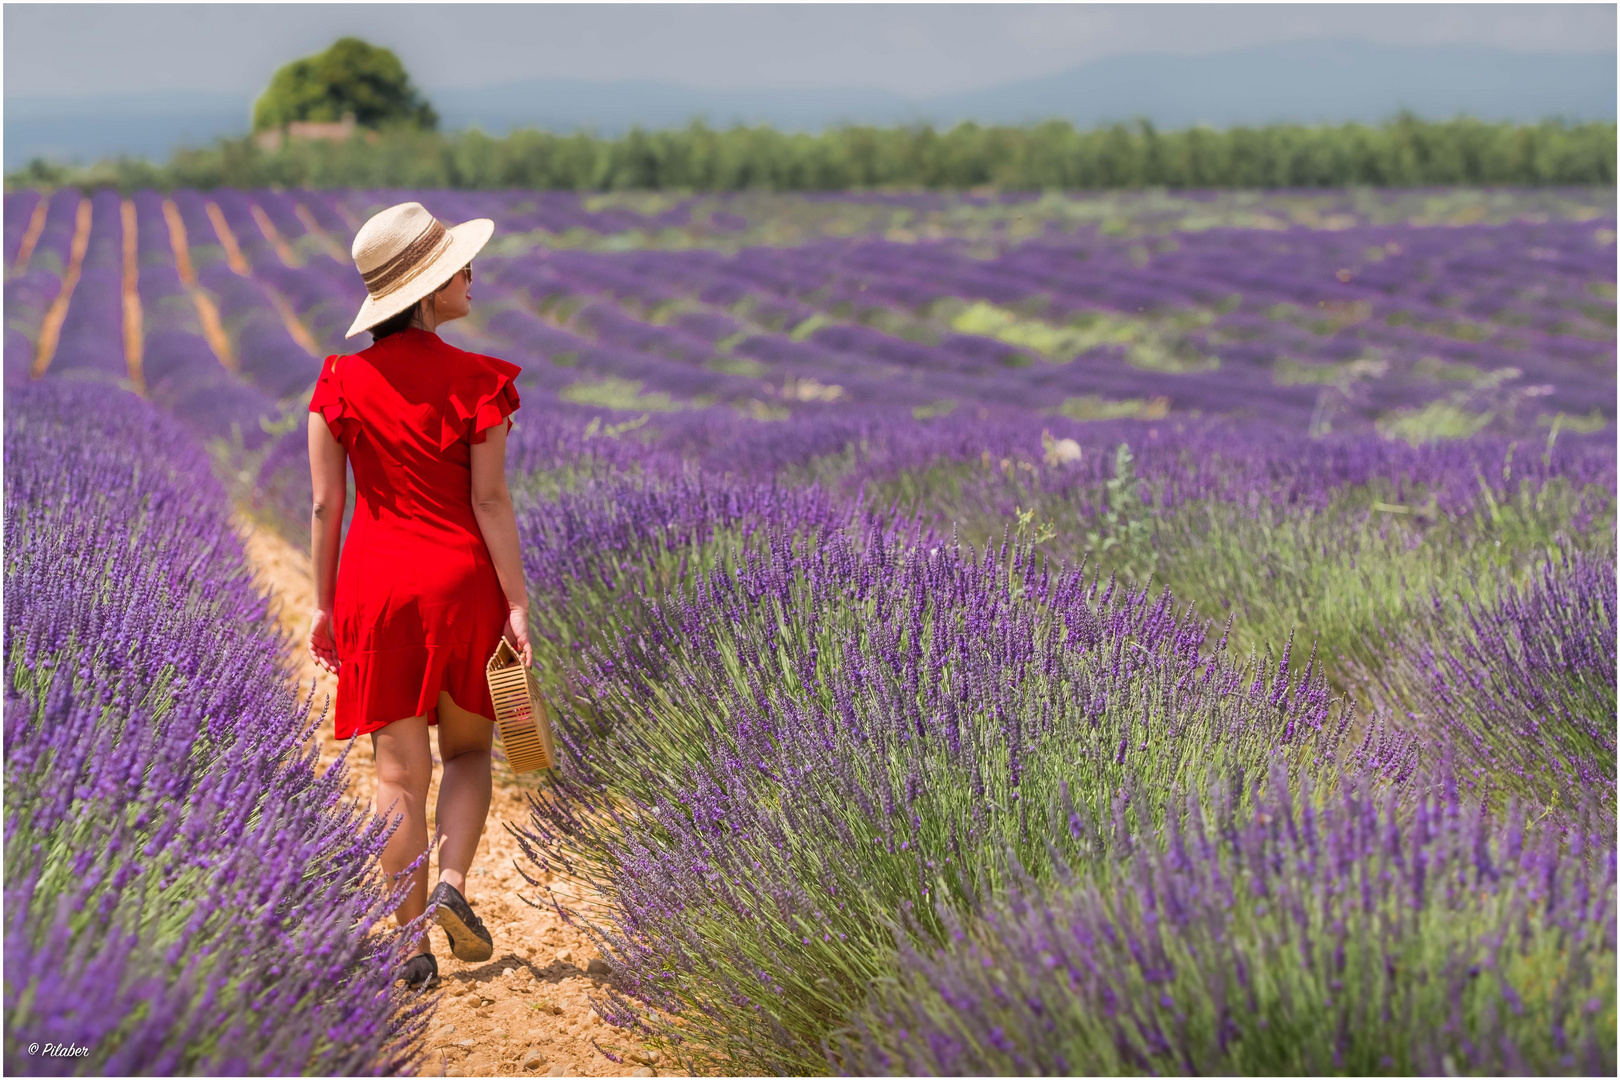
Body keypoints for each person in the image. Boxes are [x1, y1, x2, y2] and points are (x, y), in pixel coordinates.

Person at [305, 201, 531, 992]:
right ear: (429, 293)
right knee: (470, 751)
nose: (471, 275)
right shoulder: (479, 380)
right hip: (462, 585)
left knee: (398, 777)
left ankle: (409, 948)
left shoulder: (339, 382)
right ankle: (454, 887)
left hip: (377, 590)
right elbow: (492, 503)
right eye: (457, 268)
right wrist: (518, 604)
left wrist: (324, 605)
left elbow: (327, 507)